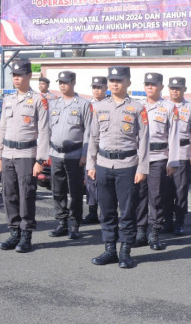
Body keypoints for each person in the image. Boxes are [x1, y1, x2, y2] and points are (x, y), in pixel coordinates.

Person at [87, 66, 149, 269]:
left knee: (127, 210)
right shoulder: (99, 107)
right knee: (106, 210)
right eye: (112, 80)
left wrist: (142, 169)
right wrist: (91, 164)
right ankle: (110, 250)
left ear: (128, 83)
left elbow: (144, 141)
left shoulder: (138, 107)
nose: (115, 84)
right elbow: (93, 138)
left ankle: (125, 251)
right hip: (103, 164)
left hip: (128, 165)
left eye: (119, 80)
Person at [0, 60, 50, 253]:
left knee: (26, 195)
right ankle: (14, 232)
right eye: (14, 75)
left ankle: (26, 235)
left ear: (29, 76)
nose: (16, 78)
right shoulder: (8, 99)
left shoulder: (38, 99)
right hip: (8, 153)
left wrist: (40, 160)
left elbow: (44, 131)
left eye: (19, 75)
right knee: (9, 194)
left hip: (27, 154)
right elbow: (2, 128)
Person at [47, 71, 92, 240]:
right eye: (60, 82)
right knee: (57, 190)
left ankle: (74, 224)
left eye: (66, 82)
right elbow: (48, 129)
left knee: (75, 191)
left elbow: (89, 131)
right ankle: (62, 222)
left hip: (75, 154)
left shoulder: (83, 104)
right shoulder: (54, 104)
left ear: (73, 82)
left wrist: (85, 155)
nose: (62, 85)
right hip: (56, 153)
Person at [135, 72, 172, 250]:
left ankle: (154, 232)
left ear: (161, 87)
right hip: (139, 157)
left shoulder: (169, 107)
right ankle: (140, 230)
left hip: (159, 156)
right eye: (147, 84)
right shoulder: (137, 106)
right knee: (139, 195)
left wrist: (172, 161)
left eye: (154, 84)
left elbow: (173, 135)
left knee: (156, 196)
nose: (150, 87)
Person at [166, 77, 191, 236]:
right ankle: (166, 220)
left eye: (178, 88)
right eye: (173, 87)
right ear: (168, 89)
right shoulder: (163, 106)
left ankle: (179, 221)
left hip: (182, 153)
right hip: (164, 153)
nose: (175, 90)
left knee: (180, 190)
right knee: (165, 190)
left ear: (184, 89)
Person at [82, 76, 107, 225]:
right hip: (90, 148)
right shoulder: (88, 105)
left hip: (104, 148)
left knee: (104, 183)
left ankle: (105, 212)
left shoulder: (109, 104)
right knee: (91, 182)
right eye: (94, 87)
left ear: (105, 88)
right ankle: (92, 211)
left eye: (99, 87)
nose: (96, 90)